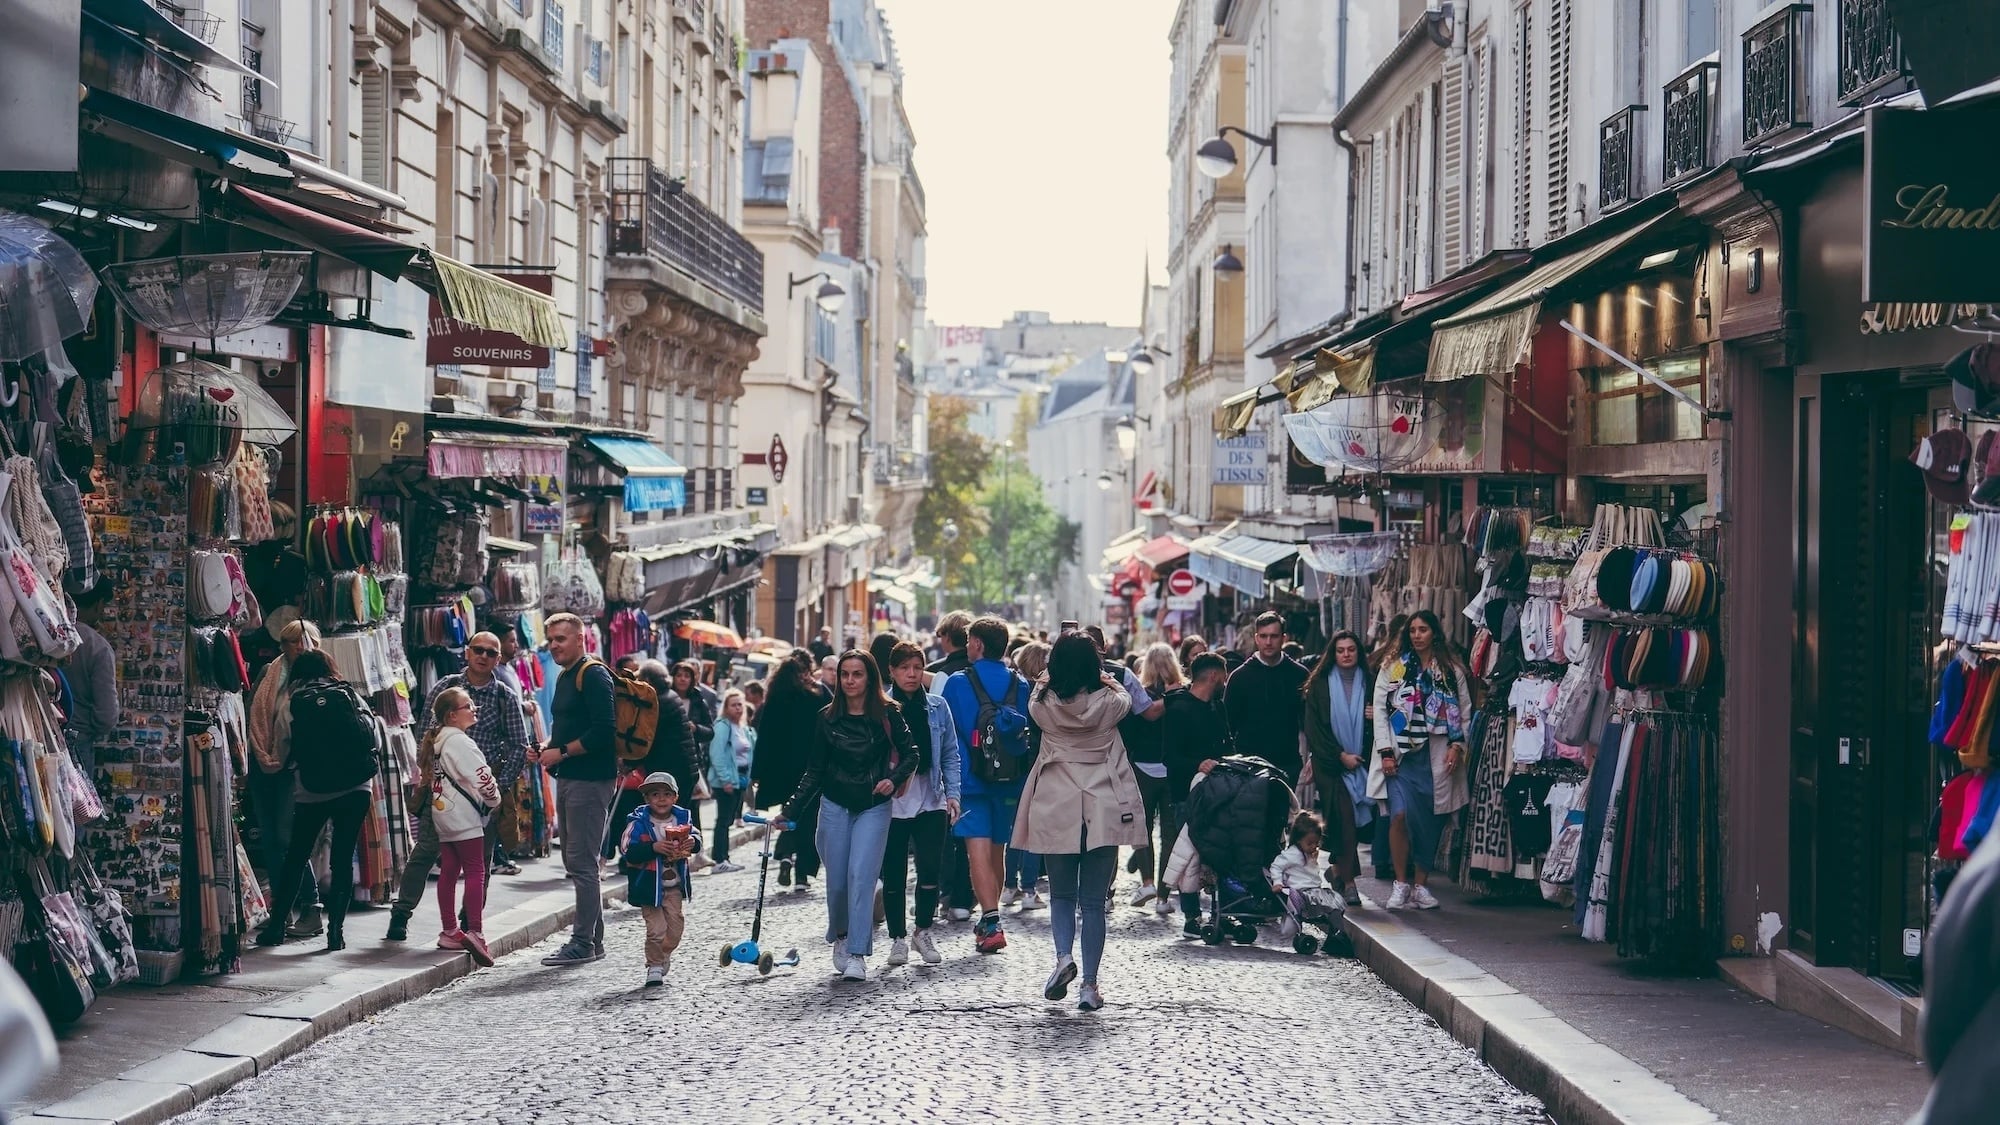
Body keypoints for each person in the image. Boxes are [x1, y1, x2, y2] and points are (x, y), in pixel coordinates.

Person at [1014, 632, 1144, 1012]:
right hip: (1102, 804)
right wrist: (1104, 675)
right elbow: (1125, 696)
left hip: (1057, 802)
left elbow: (1036, 691)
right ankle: (1089, 984)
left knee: (1061, 895)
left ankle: (1061, 958)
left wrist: (1048, 677)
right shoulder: (1111, 703)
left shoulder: (1043, 706)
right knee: (1092, 902)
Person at [777, 651, 919, 981]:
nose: (851, 680)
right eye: (845, 674)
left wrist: (893, 780)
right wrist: (790, 810)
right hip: (835, 805)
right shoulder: (826, 717)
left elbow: (912, 753)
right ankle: (841, 937)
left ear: (869, 677)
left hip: (874, 804)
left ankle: (857, 953)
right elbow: (814, 770)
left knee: (862, 877)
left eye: (857, 674)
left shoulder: (888, 712)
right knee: (837, 881)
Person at [391, 631, 530, 941]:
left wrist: (499, 787)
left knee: (479, 859)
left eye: (491, 653)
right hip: (441, 788)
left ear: (498, 658)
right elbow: (425, 734)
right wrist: (427, 776)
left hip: (481, 790)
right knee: (426, 851)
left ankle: (470, 923)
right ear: (467, 652)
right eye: (478, 650)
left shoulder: (504, 695)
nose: (483, 656)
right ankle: (401, 913)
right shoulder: (445, 688)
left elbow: (519, 745)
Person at [257, 650, 377, 952]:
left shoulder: (293, 702)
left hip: (313, 790)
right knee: (342, 856)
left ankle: (276, 928)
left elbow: (283, 746)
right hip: (356, 786)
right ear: (329, 668)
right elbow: (371, 734)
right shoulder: (349, 694)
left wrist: (282, 767)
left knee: (296, 856)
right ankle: (335, 932)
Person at [940, 616, 1035, 953]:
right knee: (998, 849)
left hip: (970, 781)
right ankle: (989, 919)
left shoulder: (956, 682)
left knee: (975, 851)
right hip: (1010, 780)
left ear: (978, 644)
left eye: (969, 642)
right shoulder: (1020, 684)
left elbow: (947, 734)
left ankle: (992, 920)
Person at [1369, 610, 1472, 910]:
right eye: (1412, 630)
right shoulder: (1393, 669)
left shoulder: (1452, 671)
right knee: (1399, 816)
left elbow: (1464, 713)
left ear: (1434, 633)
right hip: (1402, 757)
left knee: (1429, 822)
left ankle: (1421, 885)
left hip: (1437, 757)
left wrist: (1457, 746)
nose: (1417, 635)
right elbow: (1380, 712)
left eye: (1423, 629)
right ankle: (1400, 884)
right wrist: (1386, 752)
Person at [537, 613, 621, 966]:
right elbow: (570, 726)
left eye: (561, 639)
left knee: (583, 864)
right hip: (571, 777)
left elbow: (605, 730)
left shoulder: (594, 674)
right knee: (575, 861)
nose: (554, 645)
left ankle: (583, 941)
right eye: (551, 640)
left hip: (590, 780)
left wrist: (564, 750)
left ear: (580, 639)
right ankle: (593, 940)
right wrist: (547, 748)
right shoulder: (566, 675)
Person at [881, 642, 961, 967]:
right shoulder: (881, 707)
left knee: (930, 868)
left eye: (917, 667)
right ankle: (898, 937)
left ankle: (922, 931)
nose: (912, 675)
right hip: (892, 802)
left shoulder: (938, 707)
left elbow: (951, 753)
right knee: (894, 872)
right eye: (904, 668)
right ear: (892, 671)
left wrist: (953, 794)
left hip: (931, 796)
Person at [247, 619, 326, 938]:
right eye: (289, 642)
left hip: (293, 769)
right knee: (270, 840)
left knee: (285, 839)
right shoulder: (270, 672)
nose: (295, 648)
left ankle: (312, 906)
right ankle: (282, 911)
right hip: (262, 762)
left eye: (300, 642)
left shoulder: (318, 677)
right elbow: (253, 710)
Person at [421, 687, 503, 966]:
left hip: (443, 812)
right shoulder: (460, 742)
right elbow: (482, 777)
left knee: (449, 870)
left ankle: (449, 931)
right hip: (464, 815)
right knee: (475, 870)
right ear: (453, 715)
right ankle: (475, 931)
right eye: (468, 706)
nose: (474, 709)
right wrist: (494, 800)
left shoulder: (439, 741)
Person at [1160, 651, 1231, 934]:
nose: (1226, 680)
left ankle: (1220, 911)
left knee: (1219, 852)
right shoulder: (1178, 709)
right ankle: (1191, 916)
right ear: (1214, 675)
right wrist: (1197, 764)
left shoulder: (1218, 707)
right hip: (1185, 795)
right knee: (1189, 856)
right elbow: (1169, 756)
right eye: (1224, 674)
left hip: (1218, 792)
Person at [1302, 631, 1373, 906]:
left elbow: (1388, 714)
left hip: (1362, 762)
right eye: (1340, 650)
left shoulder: (1370, 681)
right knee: (1343, 816)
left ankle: (1336, 870)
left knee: (1353, 821)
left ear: (1358, 653)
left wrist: (1376, 714)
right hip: (1329, 763)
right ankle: (1349, 880)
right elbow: (1314, 729)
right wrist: (1339, 755)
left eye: (1351, 650)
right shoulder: (1319, 684)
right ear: (1333, 653)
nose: (1346, 654)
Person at [752, 650, 831, 890]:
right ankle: (802, 874)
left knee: (789, 813)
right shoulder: (818, 695)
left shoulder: (775, 697)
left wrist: (758, 773)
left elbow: (764, 736)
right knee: (809, 820)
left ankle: (785, 854)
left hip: (781, 771)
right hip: (812, 768)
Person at [618, 771, 700, 988]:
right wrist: (653, 847)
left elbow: (696, 836)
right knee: (656, 930)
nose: (661, 799)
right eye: (655, 794)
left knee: (675, 929)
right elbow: (627, 850)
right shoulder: (638, 822)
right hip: (648, 886)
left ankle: (664, 954)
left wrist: (693, 841)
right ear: (647, 799)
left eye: (666, 794)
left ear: (675, 797)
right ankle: (654, 965)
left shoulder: (682, 818)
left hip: (673, 886)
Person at [1124, 643, 1183, 911]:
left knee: (1141, 828)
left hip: (1142, 768)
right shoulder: (1183, 694)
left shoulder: (1139, 695)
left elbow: (1130, 732)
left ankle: (1147, 881)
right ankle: (1163, 896)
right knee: (1169, 834)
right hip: (1173, 769)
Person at [1223, 611, 1311, 783]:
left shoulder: (1299, 675)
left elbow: (1310, 720)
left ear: (1283, 638)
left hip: (1287, 763)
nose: (1268, 642)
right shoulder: (1240, 677)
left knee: (1282, 810)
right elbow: (1227, 725)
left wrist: (1313, 756)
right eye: (1263, 636)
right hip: (1248, 765)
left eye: (1274, 636)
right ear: (1256, 638)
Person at [929, 611, 978, 920]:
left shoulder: (944, 675)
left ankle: (944, 893)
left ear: (947, 638)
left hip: (953, 766)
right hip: (987, 767)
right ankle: (966, 897)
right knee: (976, 837)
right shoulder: (983, 671)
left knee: (947, 836)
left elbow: (934, 722)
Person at [1002, 641, 1051, 911]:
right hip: (1037, 765)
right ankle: (1029, 888)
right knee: (1033, 830)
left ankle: (1010, 886)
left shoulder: (1015, 689)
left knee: (1014, 828)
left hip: (1013, 766)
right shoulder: (1043, 692)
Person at [1366, 613, 1409, 881]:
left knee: (1388, 806)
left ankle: (1384, 860)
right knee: (1390, 805)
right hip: (1386, 737)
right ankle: (1385, 860)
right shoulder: (1386, 663)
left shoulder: (1381, 659)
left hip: (1386, 735)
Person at [705, 689, 756, 873]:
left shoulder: (743, 728)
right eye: (733, 705)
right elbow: (717, 754)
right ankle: (720, 859)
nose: (738, 708)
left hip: (741, 779)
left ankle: (724, 856)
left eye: (740, 704)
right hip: (726, 781)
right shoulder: (722, 727)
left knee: (729, 819)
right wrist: (725, 779)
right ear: (726, 707)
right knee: (724, 820)